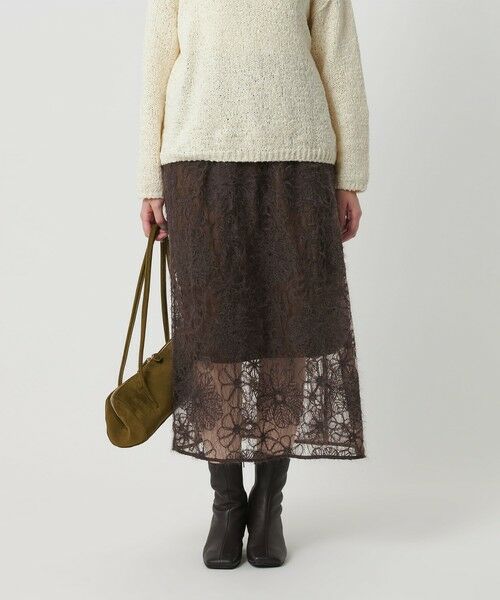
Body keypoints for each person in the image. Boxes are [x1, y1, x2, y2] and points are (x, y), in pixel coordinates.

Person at [137, 0, 369, 569]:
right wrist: (148, 180)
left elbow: (339, 55)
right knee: (213, 339)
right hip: (198, 157)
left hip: (298, 157)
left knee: (290, 331)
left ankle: (269, 506)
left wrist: (352, 174)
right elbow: (157, 61)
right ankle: (226, 505)